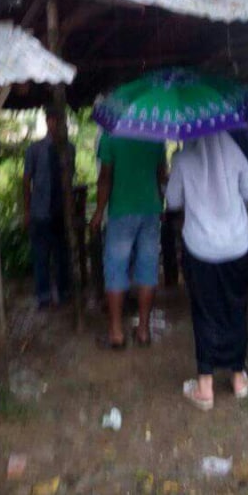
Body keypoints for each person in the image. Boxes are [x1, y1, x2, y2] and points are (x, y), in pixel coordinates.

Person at [165, 131, 248, 410]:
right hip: (238, 244)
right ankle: (238, 377)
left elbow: (173, 202)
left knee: (205, 312)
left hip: (201, 247)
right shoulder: (235, 152)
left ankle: (205, 386)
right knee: (236, 307)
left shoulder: (182, 158)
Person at [89, 133, 165, 349]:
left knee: (115, 269)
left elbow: (105, 178)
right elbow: (161, 174)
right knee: (148, 268)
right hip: (150, 209)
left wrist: (99, 211)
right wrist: (159, 202)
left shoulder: (110, 137)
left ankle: (116, 333)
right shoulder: (155, 136)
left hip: (121, 212)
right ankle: (143, 330)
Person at [23, 106, 74, 309]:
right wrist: (26, 211)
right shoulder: (34, 150)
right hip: (40, 210)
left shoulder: (69, 149)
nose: (57, 125)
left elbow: (70, 179)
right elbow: (26, 181)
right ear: (48, 122)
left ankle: (64, 292)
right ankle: (43, 296)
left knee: (63, 254)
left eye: (60, 121)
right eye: (53, 120)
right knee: (41, 256)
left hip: (61, 211)